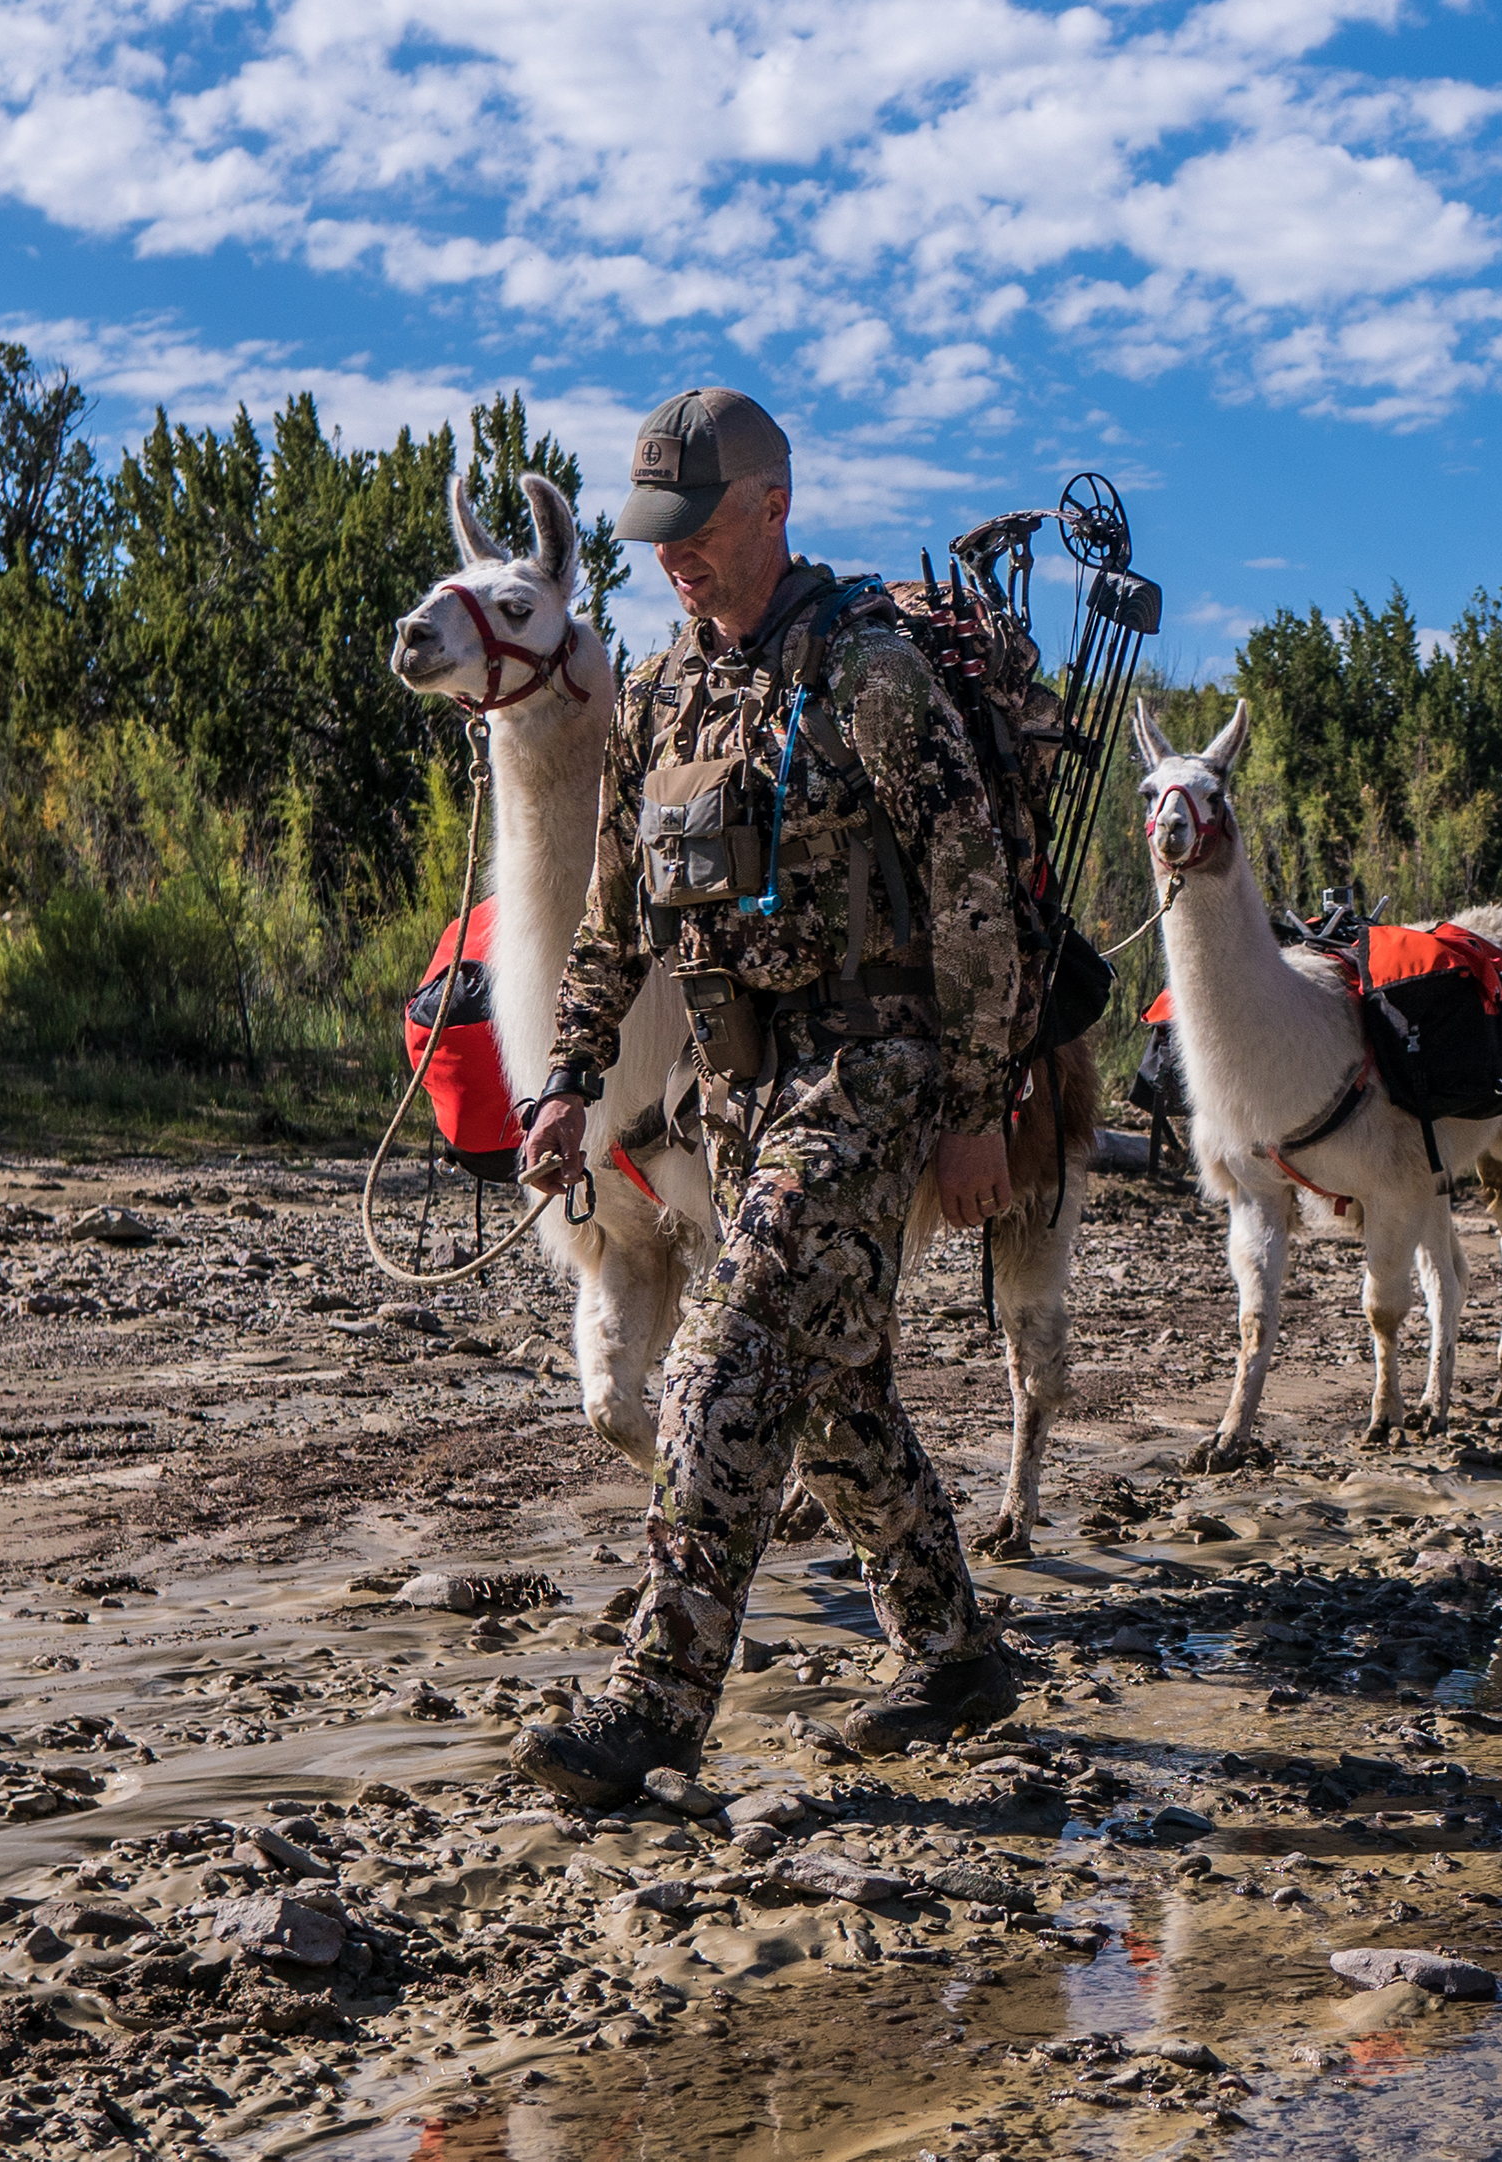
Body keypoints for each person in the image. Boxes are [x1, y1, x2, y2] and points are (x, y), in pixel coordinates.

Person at [509, 386, 1034, 1805]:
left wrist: (981, 1103)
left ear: (772, 509)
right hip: (727, 1095)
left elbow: (974, 898)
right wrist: (565, 1079)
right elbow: (613, 923)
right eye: (654, 535)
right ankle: (955, 1652)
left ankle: (656, 1700)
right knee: (834, 1393)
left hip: (867, 1075)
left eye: (697, 528)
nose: (673, 557)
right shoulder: (663, 697)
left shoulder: (867, 671)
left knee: (723, 1361)